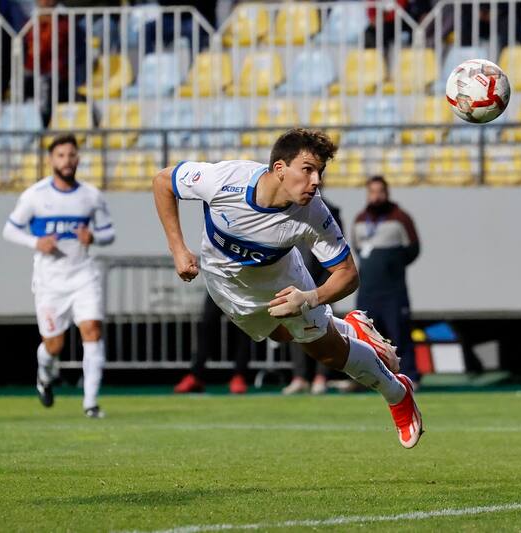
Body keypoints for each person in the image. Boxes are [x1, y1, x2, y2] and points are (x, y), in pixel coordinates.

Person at [152, 128, 423, 448]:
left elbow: (348, 275)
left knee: (328, 354)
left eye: (319, 172)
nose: (316, 180)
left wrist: (309, 298)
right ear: (279, 168)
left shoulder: (313, 213)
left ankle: (397, 393)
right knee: (282, 334)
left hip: (283, 284)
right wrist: (178, 249)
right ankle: (349, 328)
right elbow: (162, 182)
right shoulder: (224, 179)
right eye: (307, 169)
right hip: (223, 284)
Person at [2, 134, 115, 418]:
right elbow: (10, 229)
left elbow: (109, 232)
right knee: (54, 345)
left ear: (78, 159)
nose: (67, 160)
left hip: (83, 275)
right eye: (61, 155)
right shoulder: (36, 196)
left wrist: (94, 237)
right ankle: (44, 375)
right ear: (52, 160)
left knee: (92, 330)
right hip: (50, 281)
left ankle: (91, 403)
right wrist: (36, 242)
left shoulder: (91, 195)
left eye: (71, 155)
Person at [352, 176, 421, 386]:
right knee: (363, 336)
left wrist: (392, 263)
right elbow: (357, 248)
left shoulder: (400, 218)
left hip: (393, 291)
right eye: (372, 191)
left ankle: (409, 377)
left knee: (399, 333)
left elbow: (413, 249)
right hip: (367, 290)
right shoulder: (361, 219)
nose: (376, 196)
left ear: (387, 192)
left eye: (380, 191)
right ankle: (365, 379)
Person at [282, 192, 343, 395]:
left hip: (321, 282)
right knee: (294, 327)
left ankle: (321, 377)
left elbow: (337, 252)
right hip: (296, 280)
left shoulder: (330, 211)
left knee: (325, 327)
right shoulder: (288, 208)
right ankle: (299, 376)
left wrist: (325, 286)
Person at [173, 293, 253, 394]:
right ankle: (195, 376)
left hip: (242, 288)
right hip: (219, 284)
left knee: (244, 328)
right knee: (207, 324)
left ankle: (239, 376)